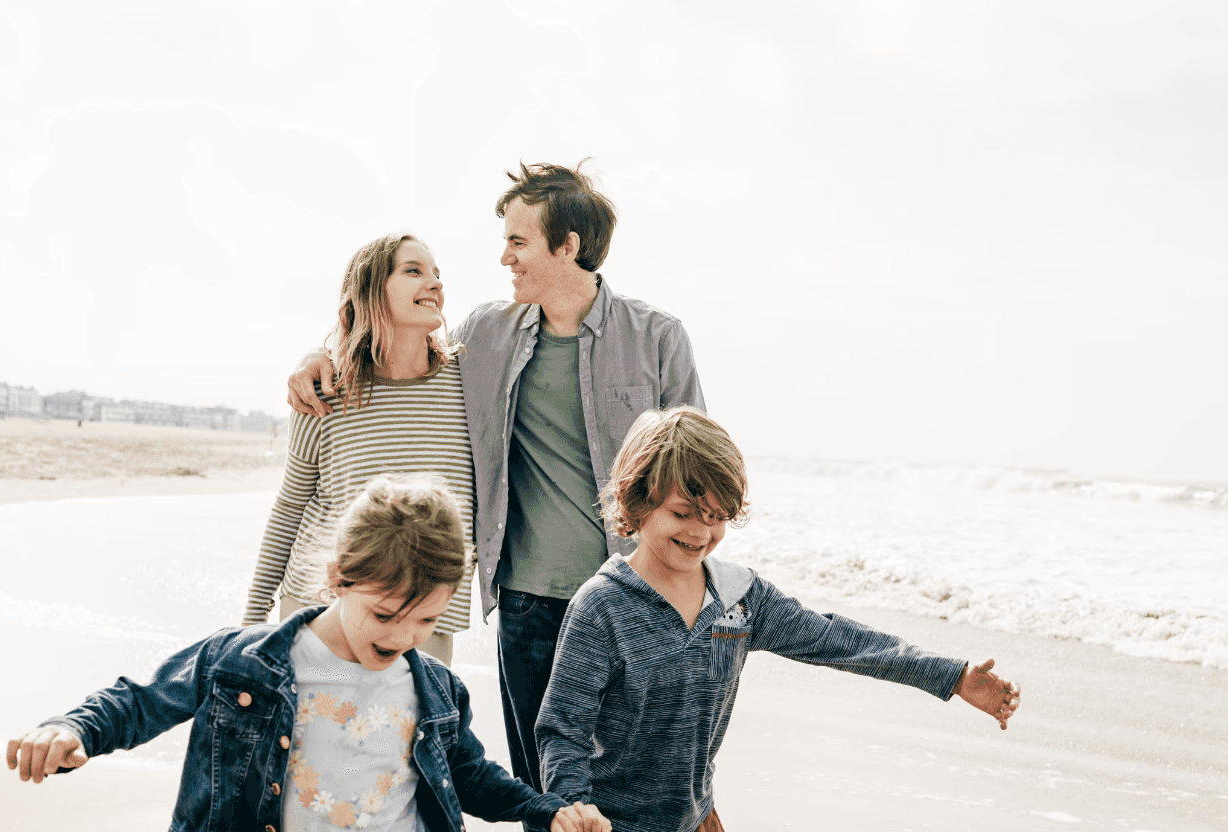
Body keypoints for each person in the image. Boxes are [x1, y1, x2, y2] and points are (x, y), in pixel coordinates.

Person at [287, 162, 705, 792]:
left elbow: (696, 478)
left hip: (633, 597)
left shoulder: (657, 338)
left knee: (642, 780)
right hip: (528, 604)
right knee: (542, 784)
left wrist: (691, 596)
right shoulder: (487, 335)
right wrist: (314, 355)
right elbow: (395, 350)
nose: (503, 256)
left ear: (567, 247)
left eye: (518, 240)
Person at [5, 474, 612, 832]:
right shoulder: (245, 662)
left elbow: (473, 778)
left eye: (426, 619)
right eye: (384, 614)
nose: (403, 637)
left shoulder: (437, 691)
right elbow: (141, 700)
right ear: (338, 579)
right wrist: (72, 727)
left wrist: (546, 810)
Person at [535, 408, 1022, 832]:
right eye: (683, 512)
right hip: (609, 824)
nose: (701, 532)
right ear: (638, 503)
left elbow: (838, 639)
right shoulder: (602, 606)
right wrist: (576, 811)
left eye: (716, 516)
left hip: (696, 819)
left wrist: (952, 675)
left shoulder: (740, 599)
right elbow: (563, 730)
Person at [248, 233, 476, 665]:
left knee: (408, 733)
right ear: (370, 289)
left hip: (424, 618)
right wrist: (252, 621)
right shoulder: (326, 391)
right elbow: (290, 506)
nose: (435, 284)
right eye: (414, 271)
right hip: (320, 609)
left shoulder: (469, 383)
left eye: (437, 275)